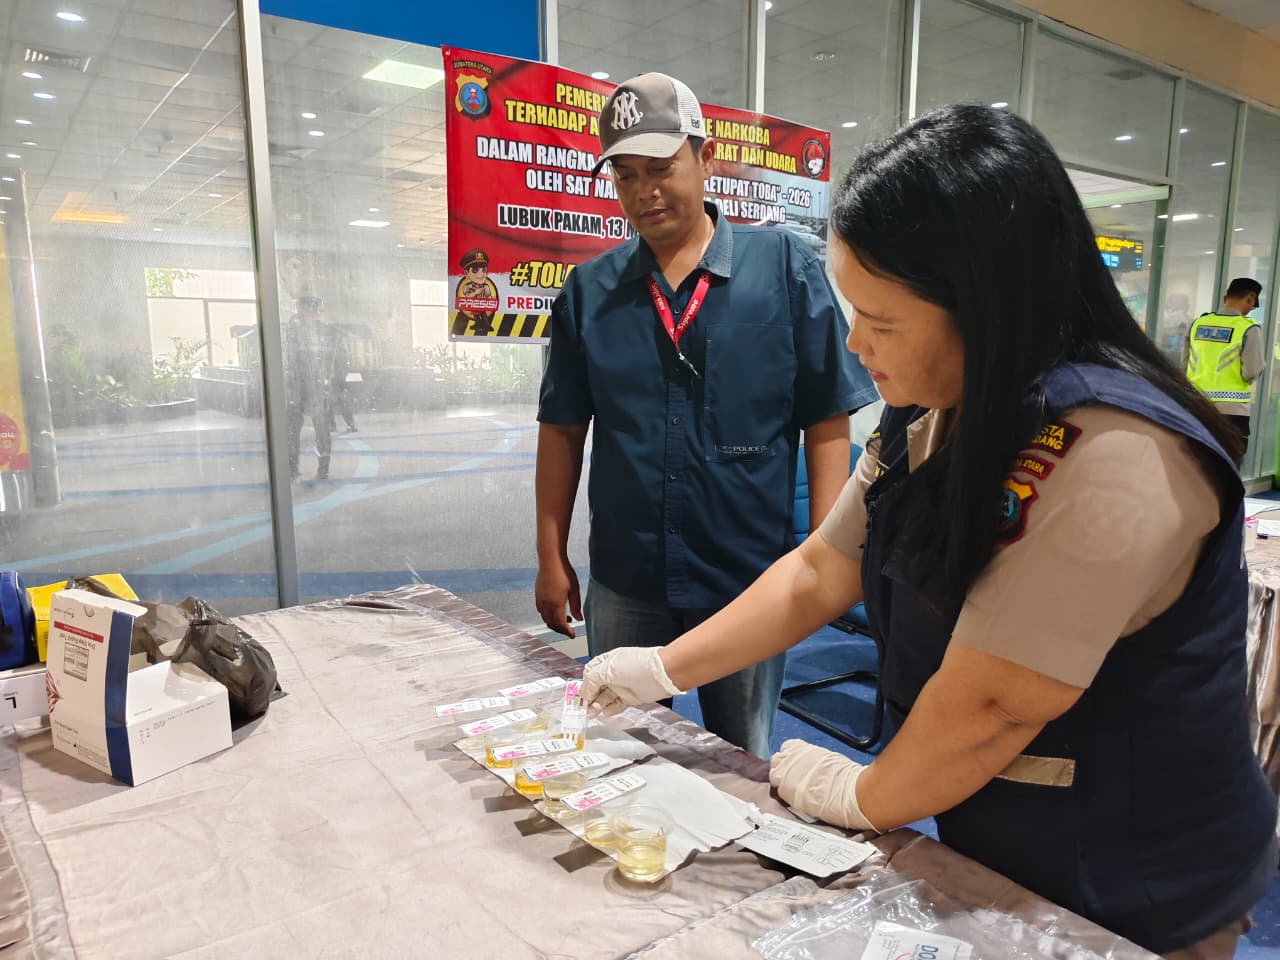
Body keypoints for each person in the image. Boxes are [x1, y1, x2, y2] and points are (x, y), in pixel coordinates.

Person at [580, 105, 1276, 958]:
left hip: (1133, 880)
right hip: (1005, 847)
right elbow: (819, 571)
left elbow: (998, 701)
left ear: (985, 306)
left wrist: (864, 795)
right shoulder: (933, 408)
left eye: (882, 321)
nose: (854, 343)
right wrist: (661, 667)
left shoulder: (1114, 450)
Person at [535, 72, 875, 759]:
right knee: (623, 751)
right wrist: (549, 555)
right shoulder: (590, 292)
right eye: (625, 175)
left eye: (661, 167)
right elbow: (563, 429)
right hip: (628, 576)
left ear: (705, 155)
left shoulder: (781, 265)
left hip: (747, 575)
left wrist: (826, 551)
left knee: (741, 757)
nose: (644, 191)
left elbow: (826, 416)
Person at [1185, 276, 1264, 455]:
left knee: (1197, 462)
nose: (1251, 309)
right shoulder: (1248, 328)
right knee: (1227, 466)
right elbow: (1251, 372)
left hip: (1197, 405)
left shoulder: (1199, 323)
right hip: (1232, 410)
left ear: (1225, 298)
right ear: (1251, 298)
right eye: (1252, 304)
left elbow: (1185, 362)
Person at [285, 295, 347, 480]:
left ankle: (322, 468)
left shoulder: (326, 332)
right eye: (300, 310)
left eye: (305, 310)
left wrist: (334, 384)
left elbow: (337, 359)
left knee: (320, 428)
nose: (301, 313)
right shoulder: (292, 331)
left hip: (318, 386)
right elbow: (289, 360)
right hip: (298, 386)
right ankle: (293, 467)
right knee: (293, 429)